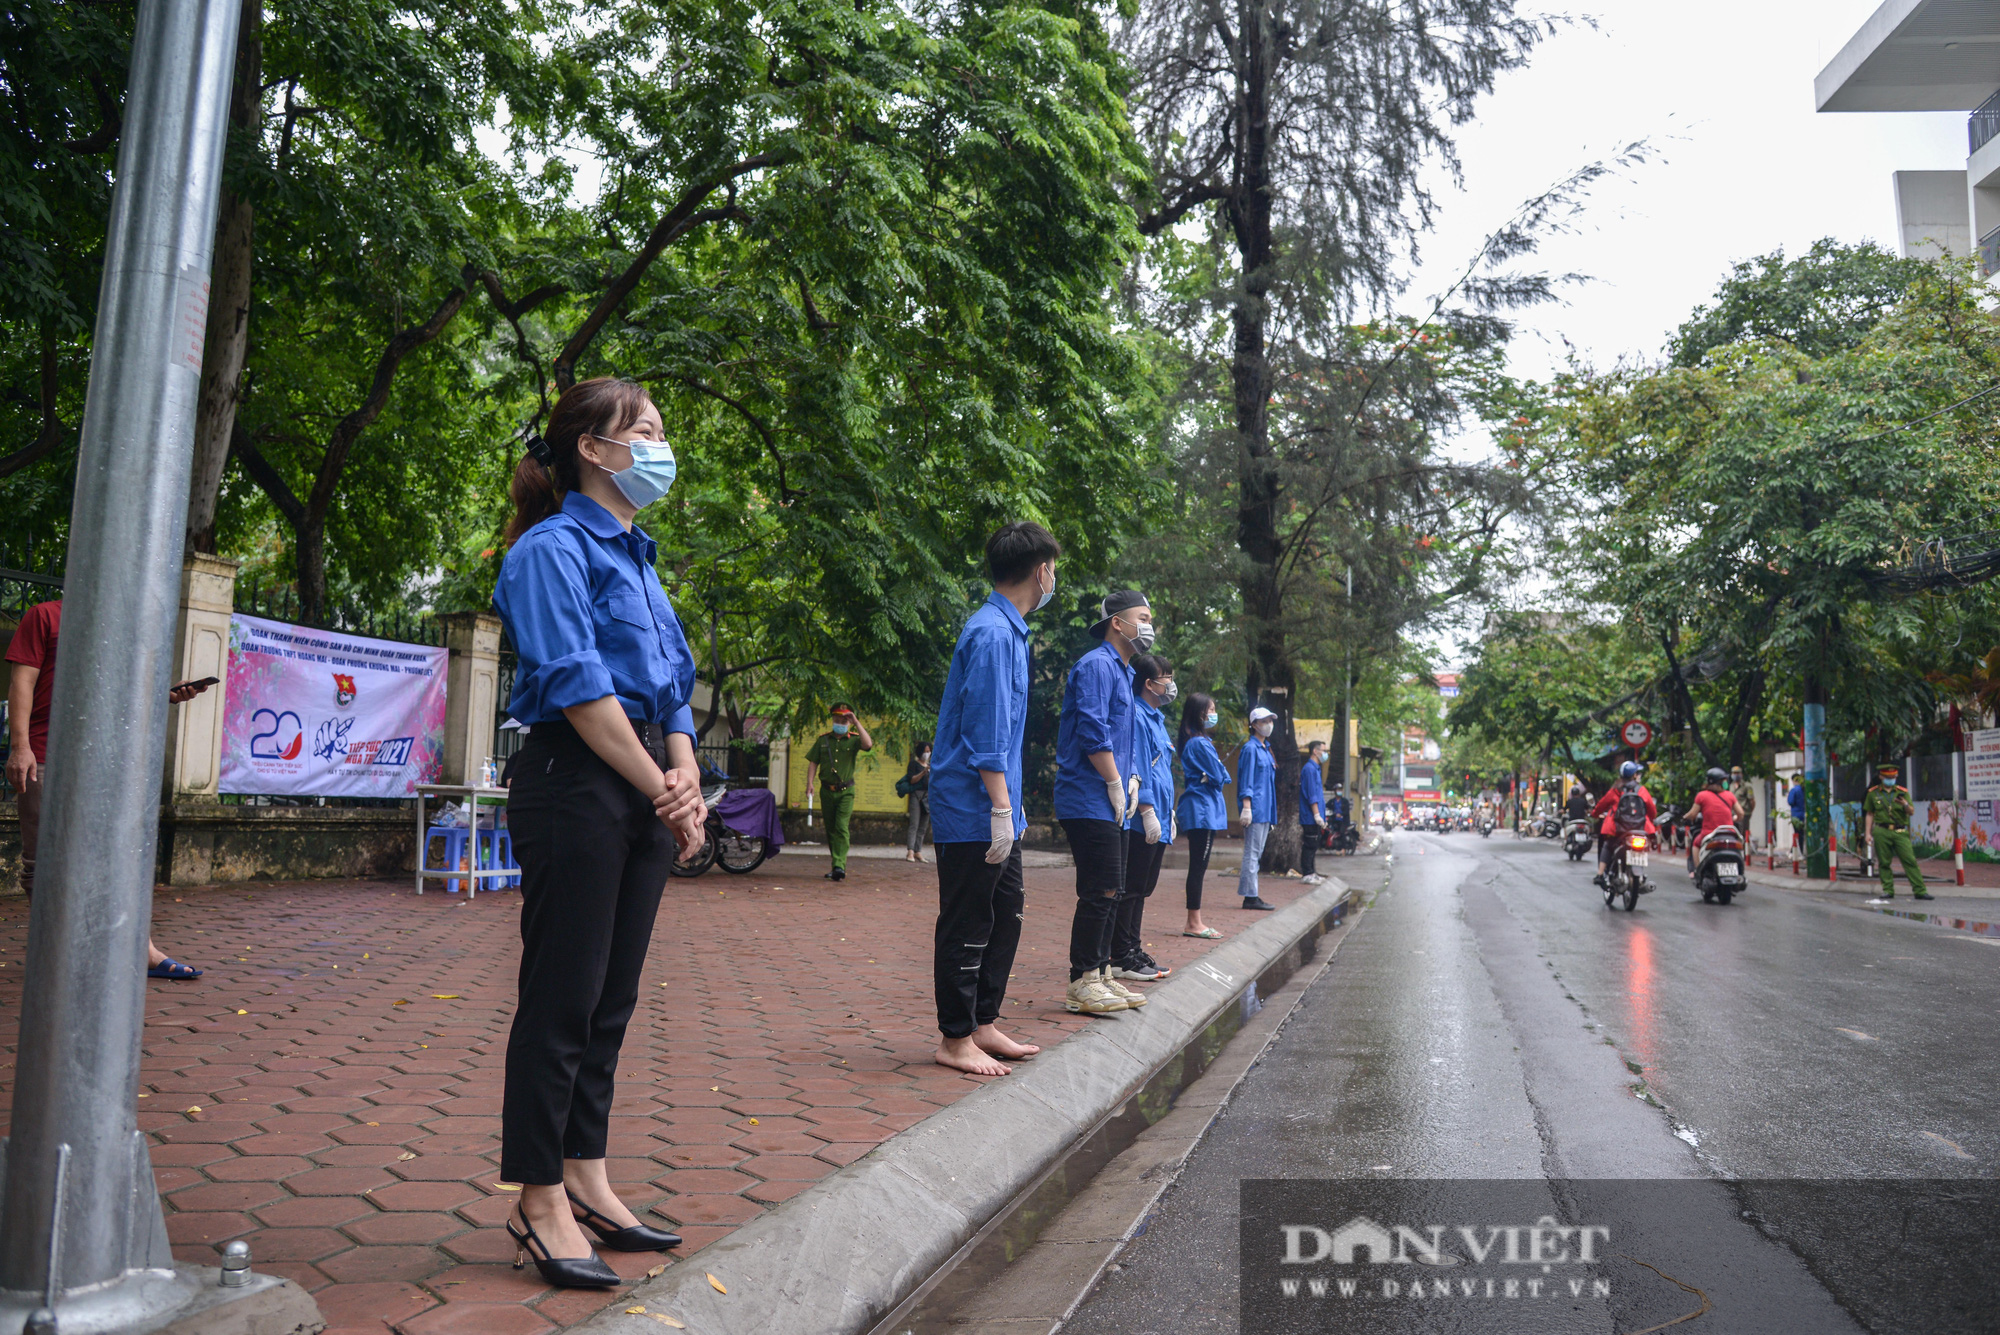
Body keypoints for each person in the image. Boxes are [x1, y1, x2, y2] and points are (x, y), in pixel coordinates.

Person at [491, 376, 704, 1287]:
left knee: (610, 1001)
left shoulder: (643, 558)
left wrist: (686, 768)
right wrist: (664, 782)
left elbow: (674, 683)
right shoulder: (550, 551)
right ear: (593, 446)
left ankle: (587, 1175)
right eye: (645, 430)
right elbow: (579, 688)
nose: (661, 445)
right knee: (563, 996)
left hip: (645, 781)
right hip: (576, 781)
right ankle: (537, 1195)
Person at [4, 597, 207, 979]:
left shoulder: (119, 625)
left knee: (120, 858)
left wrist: (166, 691)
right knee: (43, 863)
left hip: (104, 762)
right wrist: (20, 747)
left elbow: (121, 690)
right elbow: (22, 682)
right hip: (45, 756)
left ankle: (141, 951)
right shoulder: (44, 616)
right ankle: (58, 948)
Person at [927, 521, 1055, 1075]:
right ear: (1040, 570)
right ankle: (954, 1039)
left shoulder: (1009, 631)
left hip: (999, 807)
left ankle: (982, 1023)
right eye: (1055, 568)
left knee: (1006, 915)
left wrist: (1011, 810)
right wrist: (1001, 808)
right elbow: (985, 731)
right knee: (968, 921)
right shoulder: (994, 634)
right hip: (973, 807)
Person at [1053, 590, 1152, 1015]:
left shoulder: (1123, 673)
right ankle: (1083, 980)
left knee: (1115, 889)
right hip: (1088, 796)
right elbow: (1093, 731)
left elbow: (1122, 741)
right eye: (1143, 617)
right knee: (1101, 888)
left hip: (1112, 797)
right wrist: (1114, 780)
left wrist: (1128, 779)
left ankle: (1104, 972)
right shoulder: (1096, 665)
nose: (1149, 626)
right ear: (1118, 622)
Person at [1111, 653, 1177, 982]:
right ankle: (1121, 954)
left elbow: (1161, 770)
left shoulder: (1156, 719)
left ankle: (1132, 947)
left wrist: (1168, 813)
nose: (1171, 684)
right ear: (1149, 684)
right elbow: (1138, 767)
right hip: (1141, 818)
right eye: (1167, 678)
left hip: (1160, 818)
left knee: (1143, 887)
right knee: (1133, 887)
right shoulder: (1137, 715)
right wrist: (1149, 811)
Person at [1175, 693, 1229, 940]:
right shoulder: (1199, 743)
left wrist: (1215, 775)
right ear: (1200, 714)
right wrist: (1214, 775)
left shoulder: (1196, 741)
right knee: (1198, 867)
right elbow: (1220, 776)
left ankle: (1194, 920)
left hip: (1203, 808)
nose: (1214, 713)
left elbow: (1219, 775)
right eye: (1212, 709)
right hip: (1202, 811)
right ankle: (1193, 922)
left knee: (1198, 866)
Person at [805, 706, 874, 881]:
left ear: (849, 723)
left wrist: (856, 721)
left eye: (844, 721)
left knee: (841, 826)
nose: (840, 724)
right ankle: (836, 864)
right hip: (826, 791)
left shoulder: (854, 740)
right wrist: (810, 783)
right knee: (830, 829)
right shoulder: (823, 740)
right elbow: (813, 762)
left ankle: (839, 866)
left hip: (846, 792)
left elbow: (868, 744)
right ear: (833, 721)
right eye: (837, 720)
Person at [1863, 762, 1931, 902]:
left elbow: (1911, 811)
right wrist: (1868, 833)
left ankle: (1920, 890)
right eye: (1888, 776)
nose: (1891, 779)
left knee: (1910, 860)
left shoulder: (1902, 792)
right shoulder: (1873, 793)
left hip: (1900, 831)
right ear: (1881, 776)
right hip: (1882, 831)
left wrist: (1905, 805)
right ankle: (1888, 890)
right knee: (1884, 862)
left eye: (1894, 776)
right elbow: (1869, 813)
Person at [1236, 707, 1278, 910]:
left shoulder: (1265, 749)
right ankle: (1250, 896)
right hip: (1255, 809)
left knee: (1257, 853)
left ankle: (1252, 894)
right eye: (1264, 720)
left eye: (1270, 720)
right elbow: (1247, 779)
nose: (1268, 724)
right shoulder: (1251, 749)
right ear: (1253, 725)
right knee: (1252, 853)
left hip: (1265, 810)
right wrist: (1246, 807)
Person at [1591, 761, 1657, 887]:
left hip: (1618, 829)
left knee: (1608, 845)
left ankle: (1600, 874)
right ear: (1633, 776)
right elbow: (1652, 810)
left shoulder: (1615, 790)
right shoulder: (1641, 790)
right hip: (1640, 828)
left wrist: (1594, 814)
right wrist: (1651, 819)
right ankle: (1640, 876)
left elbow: (1601, 805)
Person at [1685, 769, 1738, 872]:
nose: (1725, 783)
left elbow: (1692, 814)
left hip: (1709, 834)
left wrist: (1685, 817)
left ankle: (1698, 871)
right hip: (1729, 833)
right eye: (1724, 780)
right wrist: (1735, 818)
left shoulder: (1702, 796)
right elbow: (1741, 813)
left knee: (1696, 845)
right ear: (1719, 782)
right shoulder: (1730, 795)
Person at [1297, 739, 1326, 885]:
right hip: (1310, 816)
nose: (1325, 754)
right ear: (1315, 751)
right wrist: (1316, 814)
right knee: (1309, 844)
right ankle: (1307, 873)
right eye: (1323, 750)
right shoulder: (1309, 769)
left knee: (1314, 844)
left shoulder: (1315, 769)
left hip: (1314, 815)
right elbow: (1311, 794)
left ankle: (1312, 872)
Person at [903, 740, 932, 863]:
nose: (927, 754)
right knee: (914, 824)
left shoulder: (931, 765)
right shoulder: (914, 764)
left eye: (929, 751)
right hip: (916, 795)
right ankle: (910, 851)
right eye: (925, 751)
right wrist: (923, 772)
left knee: (923, 826)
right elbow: (912, 780)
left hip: (927, 797)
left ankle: (918, 851)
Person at [1731, 765, 1757, 853]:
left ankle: (1744, 853)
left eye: (1737, 773)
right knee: (1733, 834)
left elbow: (1752, 801)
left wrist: (1749, 812)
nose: (1736, 775)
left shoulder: (1747, 786)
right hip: (1732, 814)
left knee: (1742, 835)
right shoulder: (1731, 786)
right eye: (1734, 773)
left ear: (1741, 774)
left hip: (1743, 814)